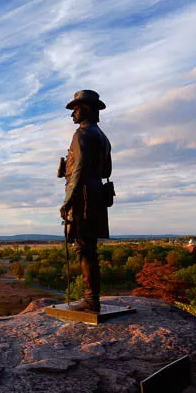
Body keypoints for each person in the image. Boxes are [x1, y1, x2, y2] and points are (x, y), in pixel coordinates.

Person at [60, 90, 112, 312]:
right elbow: (107, 169)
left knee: (84, 249)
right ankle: (93, 298)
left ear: (87, 109)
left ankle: (91, 300)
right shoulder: (102, 136)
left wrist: (67, 199)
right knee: (90, 249)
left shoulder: (81, 134)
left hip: (83, 196)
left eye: (76, 109)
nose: (73, 114)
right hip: (96, 192)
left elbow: (79, 168)